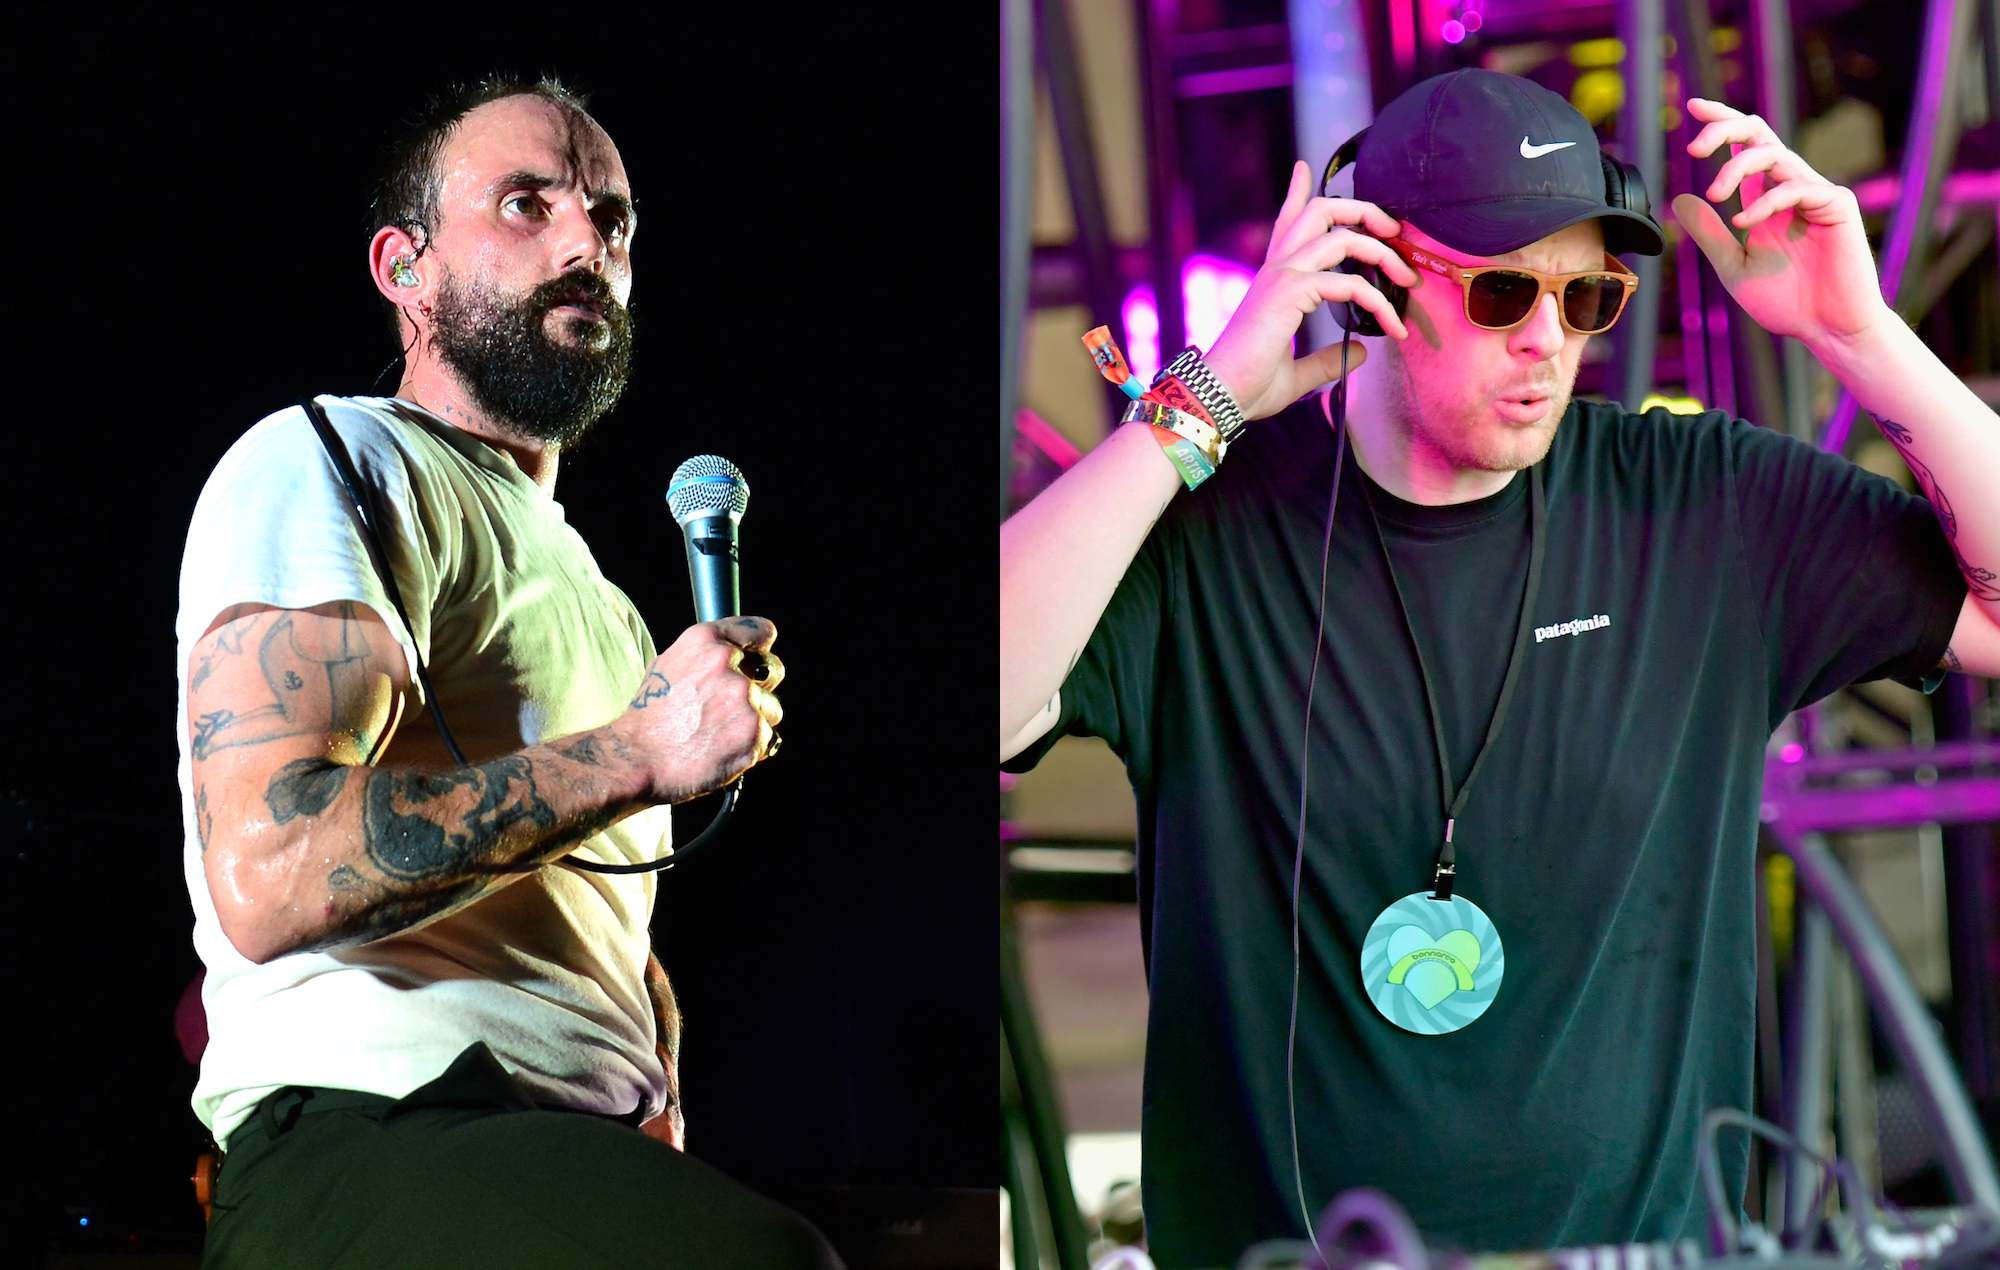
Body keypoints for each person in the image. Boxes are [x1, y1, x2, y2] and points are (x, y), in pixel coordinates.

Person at [999, 69, 2000, 1267]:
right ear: (1368, 283)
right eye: (1502, 290)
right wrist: (1196, 405)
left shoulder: (1699, 506)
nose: (1546, 339)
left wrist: (1860, 336)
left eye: (1586, 296)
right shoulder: (1200, 532)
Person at [178, 76, 837, 1269]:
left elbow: (590, 909)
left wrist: (656, 1080)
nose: (586, 241)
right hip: (371, 1130)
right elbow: (269, 873)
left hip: (562, 1151)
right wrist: (642, 750)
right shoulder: (331, 458)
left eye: (613, 221)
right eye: (525, 204)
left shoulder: (604, 598)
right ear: (404, 269)